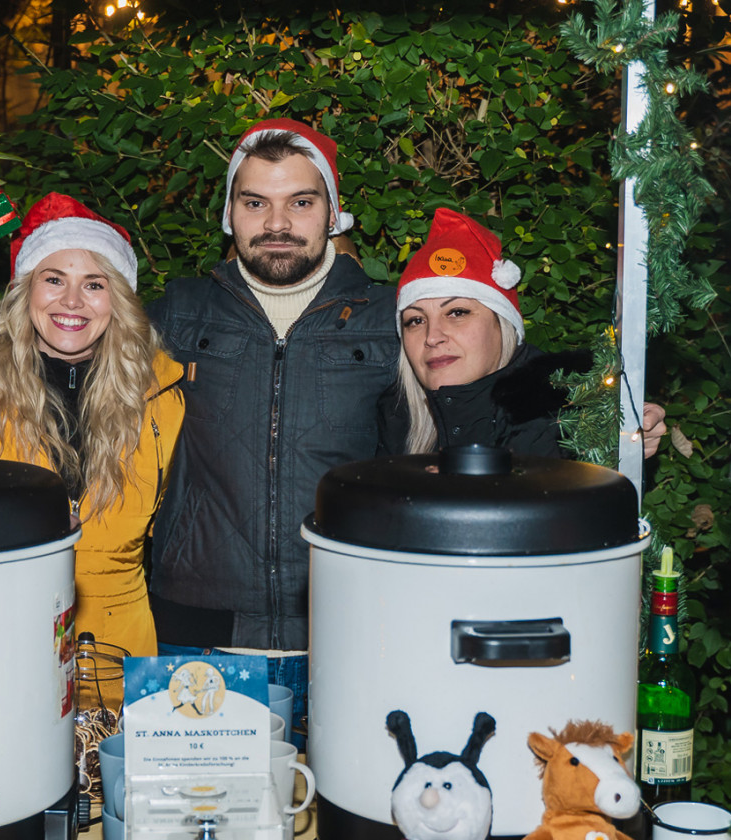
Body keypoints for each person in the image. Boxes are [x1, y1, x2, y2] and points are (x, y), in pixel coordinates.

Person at [146, 119, 399, 740]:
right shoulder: (176, 312)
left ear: (333, 214)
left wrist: (599, 418)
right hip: (198, 637)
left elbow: (480, 389)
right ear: (230, 215)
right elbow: (64, 378)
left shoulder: (391, 317)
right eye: (255, 202)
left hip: (351, 633)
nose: (277, 223)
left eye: (301, 202)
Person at [0, 193, 184, 681]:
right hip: (1, 651)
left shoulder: (163, 392)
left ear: (118, 299)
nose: (72, 301)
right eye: (53, 280)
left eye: (94, 284)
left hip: (127, 660)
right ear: (25, 291)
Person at [381, 207, 665, 458]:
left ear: (501, 323)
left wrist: (628, 436)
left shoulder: (562, 412)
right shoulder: (395, 417)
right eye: (415, 321)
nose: (432, 337)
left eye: (457, 312)